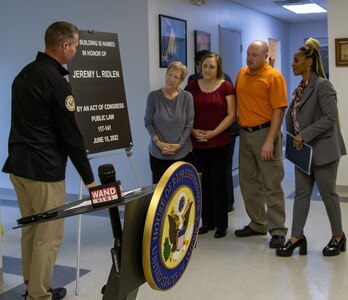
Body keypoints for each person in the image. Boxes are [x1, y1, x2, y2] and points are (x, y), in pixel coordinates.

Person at [2, 21, 96, 300]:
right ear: (65, 46)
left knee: (31, 232)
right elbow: (71, 136)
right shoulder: (57, 82)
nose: (76, 50)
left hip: (18, 168)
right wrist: (89, 178)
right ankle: (39, 295)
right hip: (44, 172)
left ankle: (33, 285)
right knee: (48, 237)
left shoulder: (24, 74)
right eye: (76, 45)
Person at [276, 38, 346, 257]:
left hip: (324, 150)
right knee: (302, 194)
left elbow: (330, 118)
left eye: (296, 60)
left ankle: (338, 236)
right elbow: (294, 117)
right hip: (303, 152)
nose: (292, 64)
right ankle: (296, 237)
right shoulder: (299, 89)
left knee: (328, 194)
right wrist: (290, 138)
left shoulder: (323, 85)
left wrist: (303, 135)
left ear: (308, 62)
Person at [234, 40, 288, 249]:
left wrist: (269, 141)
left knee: (271, 183)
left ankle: (277, 230)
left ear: (266, 56)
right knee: (248, 183)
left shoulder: (274, 77)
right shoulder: (242, 73)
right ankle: (258, 223)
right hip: (245, 135)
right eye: (248, 54)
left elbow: (279, 110)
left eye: (254, 55)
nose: (249, 58)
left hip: (265, 133)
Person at [185, 52, 236, 238]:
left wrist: (214, 133)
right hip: (198, 142)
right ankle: (206, 222)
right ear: (200, 67)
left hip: (220, 142)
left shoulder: (226, 87)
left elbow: (231, 115)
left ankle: (221, 224)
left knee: (219, 182)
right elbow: (185, 112)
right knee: (202, 184)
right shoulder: (191, 87)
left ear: (218, 68)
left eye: (212, 66)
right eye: (205, 66)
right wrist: (192, 131)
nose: (207, 69)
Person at [144, 61, 194, 184]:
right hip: (158, 153)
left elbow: (189, 123)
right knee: (160, 193)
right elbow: (148, 122)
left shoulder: (187, 97)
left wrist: (179, 145)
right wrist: (158, 142)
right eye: (169, 75)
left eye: (176, 77)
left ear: (181, 80)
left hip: (182, 154)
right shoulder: (153, 96)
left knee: (181, 191)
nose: (171, 79)